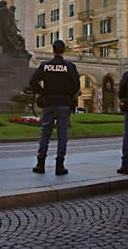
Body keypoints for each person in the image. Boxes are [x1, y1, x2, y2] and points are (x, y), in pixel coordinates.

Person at [29, 40, 80, 175]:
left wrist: (42, 92)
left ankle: (40, 164)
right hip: (64, 103)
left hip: (49, 102)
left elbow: (33, 82)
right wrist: (68, 93)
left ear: (53, 50)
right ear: (63, 51)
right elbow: (76, 87)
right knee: (62, 135)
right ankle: (60, 165)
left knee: (45, 134)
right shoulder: (70, 67)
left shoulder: (45, 66)